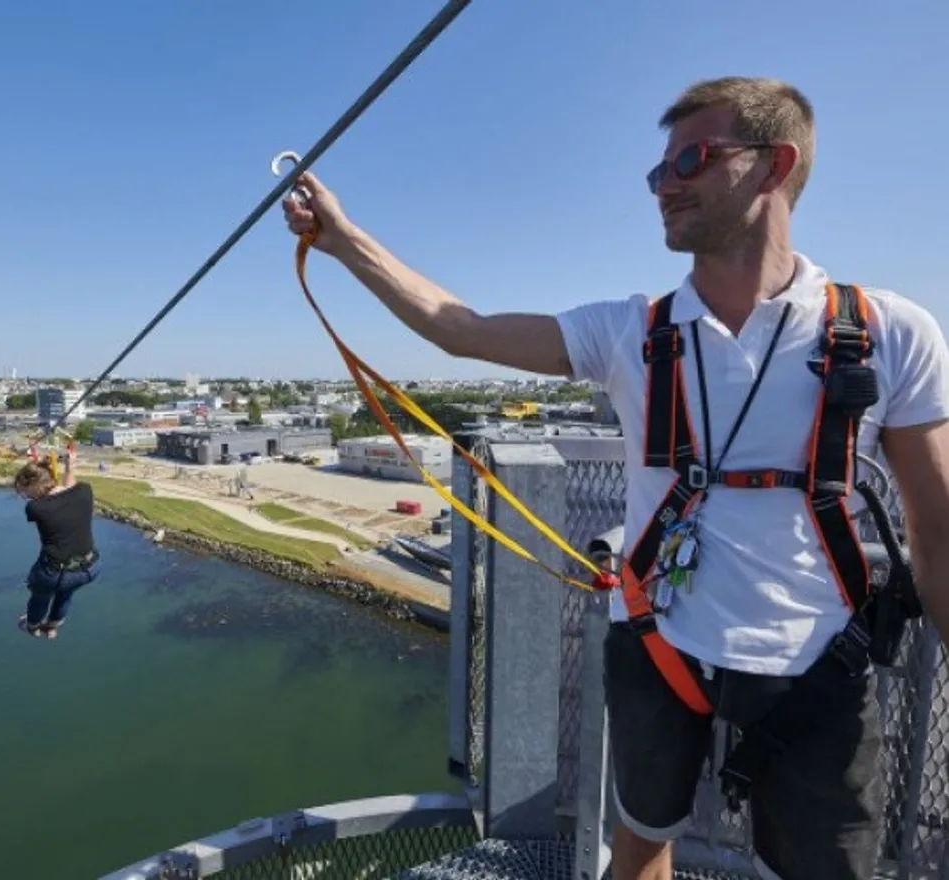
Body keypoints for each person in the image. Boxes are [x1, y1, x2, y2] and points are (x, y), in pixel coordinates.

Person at [282, 76, 949, 880]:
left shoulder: (888, 332)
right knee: (638, 846)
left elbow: (937, 534)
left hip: (818, 662)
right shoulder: (632, 331)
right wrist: (342, 238)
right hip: (660, 644)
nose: (664, 185)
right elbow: (458, 329)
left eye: (691, 160)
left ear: (776, 167)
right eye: (657, 171)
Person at [12, 444, 101, 640]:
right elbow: (69, 489)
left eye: (26, 491)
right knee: (66, 591)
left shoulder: (35, 508)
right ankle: (52, 626)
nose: (27, 496)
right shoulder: (85, 491)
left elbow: (52, 497)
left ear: (33, 486)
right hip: (90, 568)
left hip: (55, 574)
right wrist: (70, 467)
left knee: (40, 591)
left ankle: (33, 625)